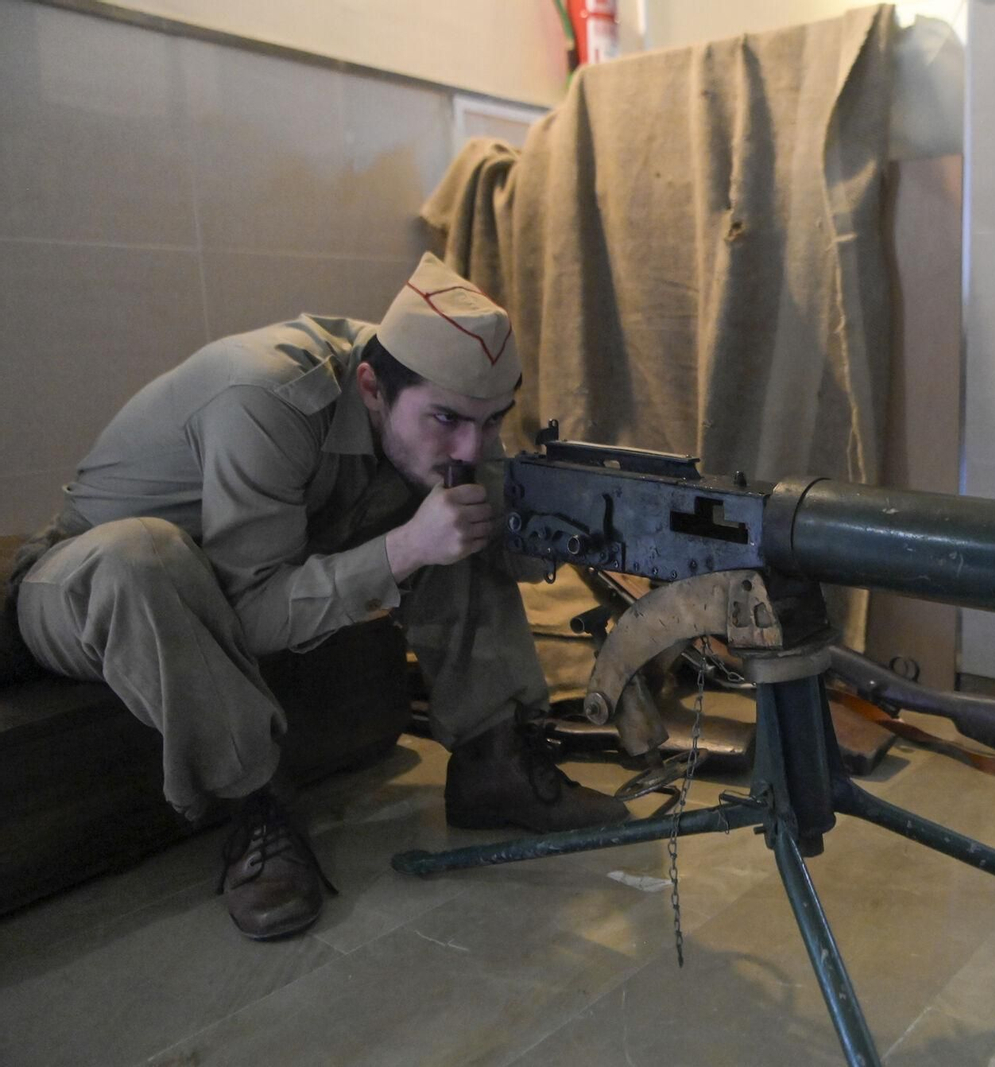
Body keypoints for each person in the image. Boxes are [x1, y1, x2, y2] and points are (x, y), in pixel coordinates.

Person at [9, 253, 628, 940]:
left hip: (232, 574)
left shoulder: (435, 391)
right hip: (85, 584)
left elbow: (487, 519)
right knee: (147, 556)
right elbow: (248, 613)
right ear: (371, 386)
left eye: (490, 422)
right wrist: (404, 548)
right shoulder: (266, 398)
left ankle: (494, 760)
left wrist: (574, 532)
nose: (471, 444)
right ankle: (258, 803)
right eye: (448, 419)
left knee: (456, 501)